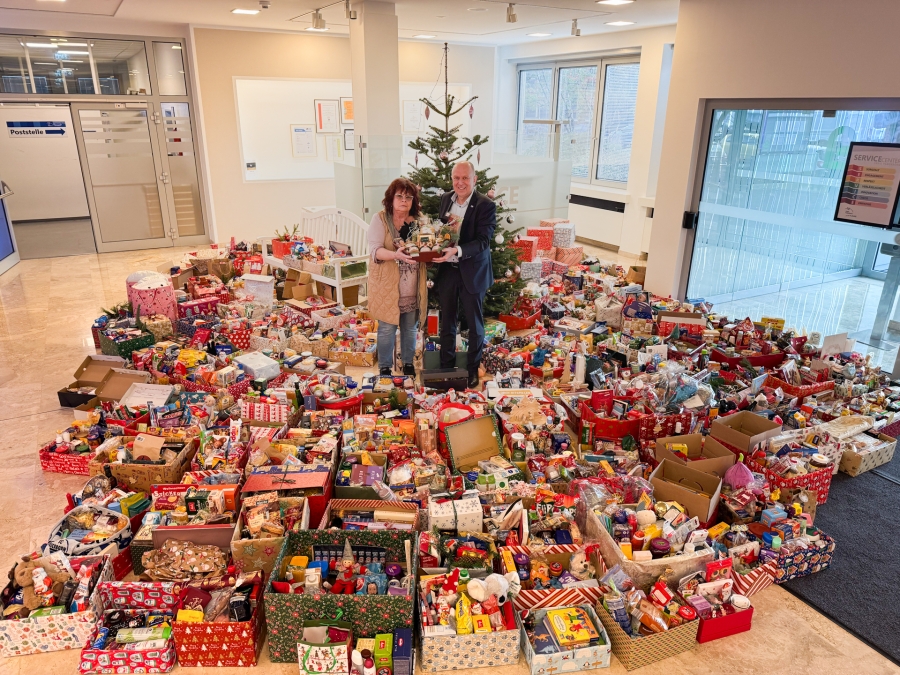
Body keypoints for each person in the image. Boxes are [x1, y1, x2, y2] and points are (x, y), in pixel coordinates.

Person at [432, 161, 496, 389]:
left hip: (473, 271)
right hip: (448, 269)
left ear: (474, 179)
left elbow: (483, 241)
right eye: (456, 178)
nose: (460, 183)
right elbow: (441, 231)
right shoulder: (446, 199)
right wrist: (437, 248)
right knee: (447, 321)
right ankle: (446, 367)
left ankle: (472, 371)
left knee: (475, 325)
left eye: (465, 178)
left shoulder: (485, 205)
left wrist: (457, 250)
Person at [367, 177, 428, 377]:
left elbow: (426, 247)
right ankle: (384, 368)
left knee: (410, 328)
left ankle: (408, 364)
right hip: (387, 285)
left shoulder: (420, 221)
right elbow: (375, 251)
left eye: (408, 197)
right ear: (391, 198)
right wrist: (395, 255)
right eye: (400, 196)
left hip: (411, 285)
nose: (404, 200)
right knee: (386, 328)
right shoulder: (380, 219)